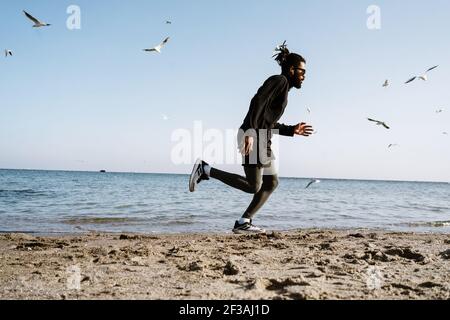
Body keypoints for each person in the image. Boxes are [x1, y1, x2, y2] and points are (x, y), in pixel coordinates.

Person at [189, 41, 314, 234]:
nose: (304, 76)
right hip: (254, 136)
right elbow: (257, 100)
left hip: (261, 136)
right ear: (291, 69)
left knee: (272, 182)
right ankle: (205, 169)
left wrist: (291, 130)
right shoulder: (279, 81)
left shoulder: (284, 90)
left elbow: (268, 122)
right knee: (253, 186)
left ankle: (244, 221)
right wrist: (249, 131)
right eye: (302, 71)